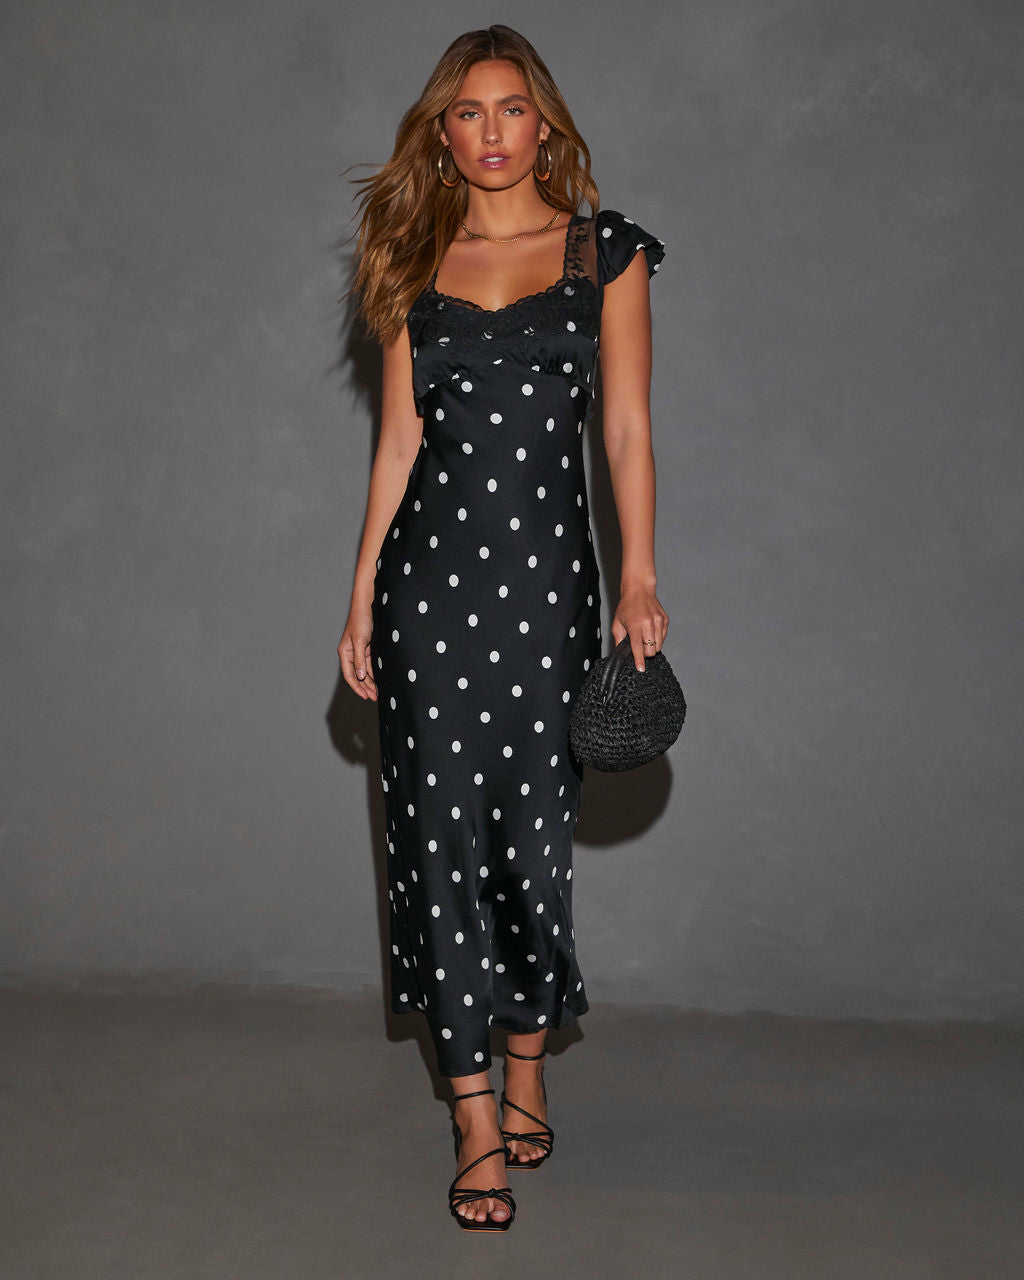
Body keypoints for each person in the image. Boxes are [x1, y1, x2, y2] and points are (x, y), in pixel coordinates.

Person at [338, 24, 668, 1231]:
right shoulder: (412, 260)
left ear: (544, 124)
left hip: (547, 601)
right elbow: (397, 445)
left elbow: (624, 428)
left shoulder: (602, 253)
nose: (491, 132)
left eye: (511, 109)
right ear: (442, 132)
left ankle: (528, 1053)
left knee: (530, 847)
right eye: (467, 112)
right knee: (435, 847)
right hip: (428, 597)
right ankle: (474, 1110)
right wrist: (361, 592)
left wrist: (637, 574)